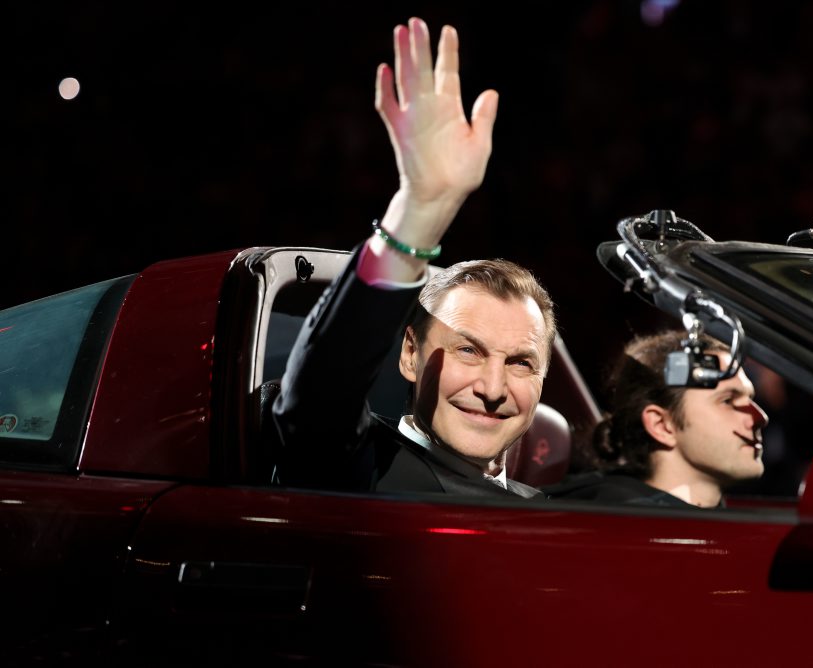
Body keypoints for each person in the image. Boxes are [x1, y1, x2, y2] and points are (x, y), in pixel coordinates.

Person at [272, 17, 555, 499]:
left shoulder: (552, 515)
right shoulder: (356, 469)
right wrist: (419, 214)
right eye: (468, 350)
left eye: (521, 363)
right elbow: (321, 392)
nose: (493, 388)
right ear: (409, 354)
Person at [546, 330, 768, 508]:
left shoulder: (725, 527)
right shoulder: (621, 532)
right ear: (661, 425)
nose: (761, 417)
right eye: (728, 401)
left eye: (750, 398)